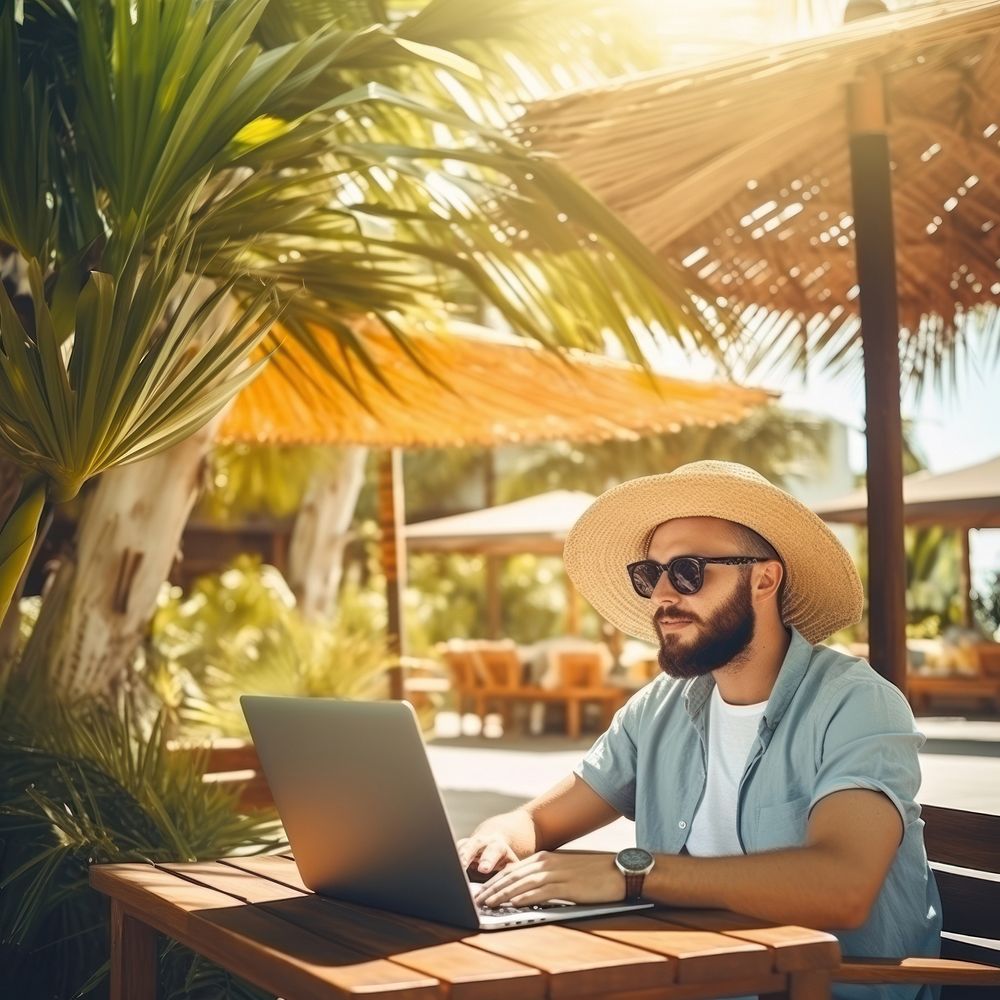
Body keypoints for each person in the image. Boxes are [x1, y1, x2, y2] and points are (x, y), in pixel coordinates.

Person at [458, 461, 941, 1000]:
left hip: (827, 988)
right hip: (692, 976)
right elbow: (535, 822)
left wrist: (630, 875)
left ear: (764, 577)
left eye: (687, 571)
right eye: (649, 575)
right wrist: (493, 840)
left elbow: (843, 887)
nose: (662, 594)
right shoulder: (658, 709)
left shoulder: (856, 705)